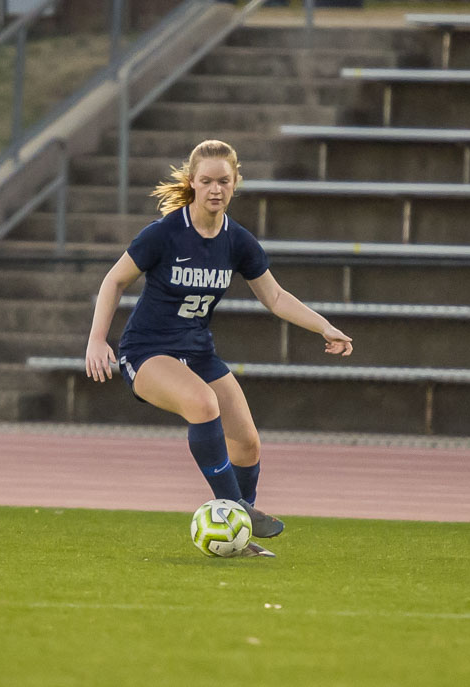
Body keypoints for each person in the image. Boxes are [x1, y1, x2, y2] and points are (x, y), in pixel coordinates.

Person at [84, 140, 354, 558]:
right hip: (147, 351)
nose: (215, 189)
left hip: (198, 352)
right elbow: (113, 280)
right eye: (206, 181)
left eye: (223, 181)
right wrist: (97, 339)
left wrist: (324, 327)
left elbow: (276, 297)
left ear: (235, 184)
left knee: (247, 443)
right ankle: (239, 510)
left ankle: (239, 538)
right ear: (192, 183)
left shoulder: (238, 241)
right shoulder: (164, 234)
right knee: (203, 403)